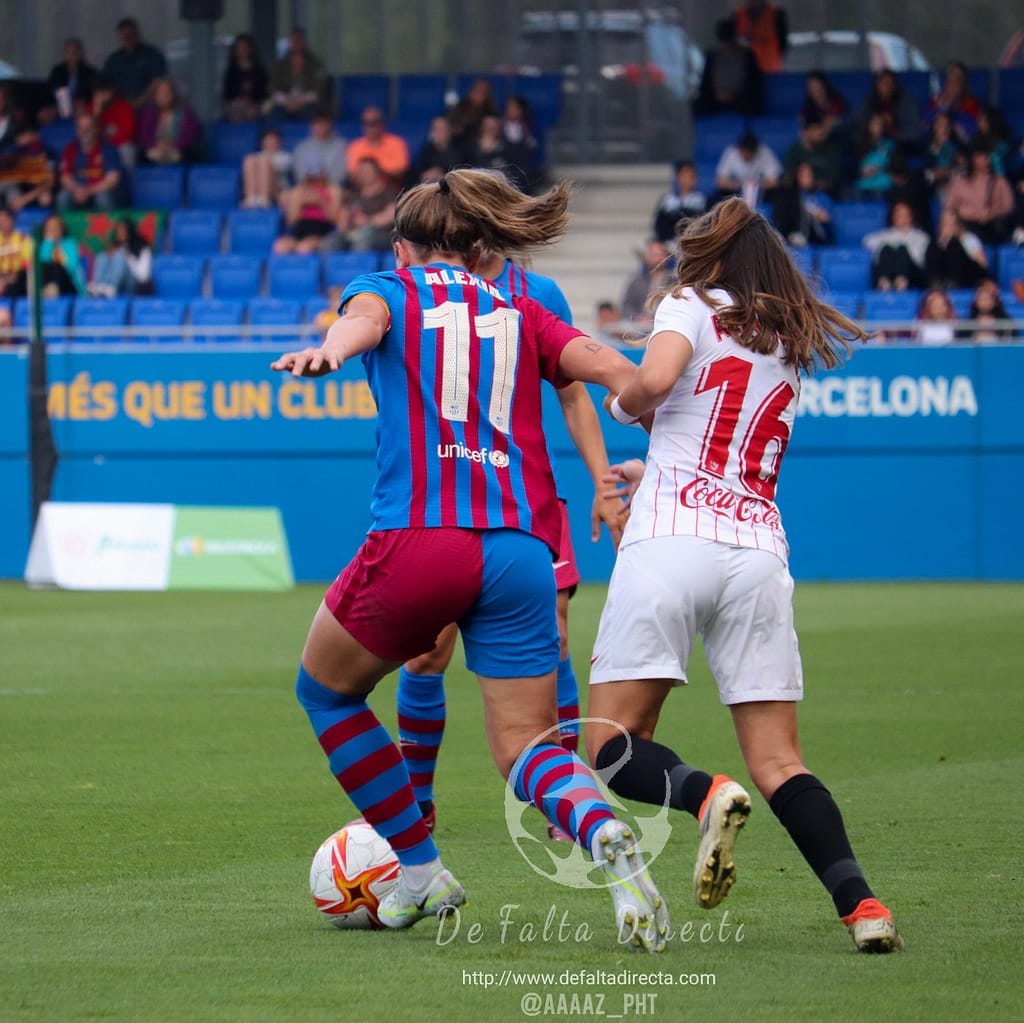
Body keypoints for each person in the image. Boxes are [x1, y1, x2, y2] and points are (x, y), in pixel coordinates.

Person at [270, 168, 669, 951]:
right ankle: (610, 846)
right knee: (524, 745)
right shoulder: (524, 308)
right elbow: (628, 377)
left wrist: (329, 350)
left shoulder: (391, 286)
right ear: (480, 244)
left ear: (405, 246)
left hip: (422, 537)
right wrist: (664, 443)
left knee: (325, 692)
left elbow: (365, 321)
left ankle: (420, 871)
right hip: (521, 550)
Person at [587, 196, 903, 955]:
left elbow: (658, 382)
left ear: (710, 255)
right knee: (780, 759)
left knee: (609, 743)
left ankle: (704, 797)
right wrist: (651, 459)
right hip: (757, 551)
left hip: (670, 543)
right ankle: (863, 906)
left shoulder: (688, 303)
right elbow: (712, 443)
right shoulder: (787, 342)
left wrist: (622, 401)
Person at [395, 243, 623, 841]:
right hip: (444, 498)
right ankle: (418, 805)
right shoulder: (419, 286)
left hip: (524, 495)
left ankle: (568, 801)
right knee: (426, 650)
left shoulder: (537, 294)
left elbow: (573, 394)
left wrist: (604, 481)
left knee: (556, 634)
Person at [322, 157, 399, 253]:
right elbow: (342, 225)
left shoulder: (388, 191)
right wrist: (345, 219)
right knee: (331, 242)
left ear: (377, 172)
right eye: (361, 171)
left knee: (362, 244)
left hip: (381, 234)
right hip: (355, 233)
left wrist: (367, 221)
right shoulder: (354, 195)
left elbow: (391, 215)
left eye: (367, 171)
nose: (364, 174)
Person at [944, 144, 1015, 244]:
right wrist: (968, 214)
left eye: (987, 157)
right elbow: (949, 208)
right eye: (982, 157)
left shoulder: (999, 181)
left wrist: (992, 213)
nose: (987, 160)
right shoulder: (959, 183)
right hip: (967, 228)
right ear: (973, 159)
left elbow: (1009, 206)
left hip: (993, 229)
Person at [694, 18, 762, 118]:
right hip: (715, 98)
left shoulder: (748, 56)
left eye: (728, 41)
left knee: (752, 105)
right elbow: (705, 83)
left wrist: (734, 96)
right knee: (696, 107)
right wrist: (716, 94)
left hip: (741, 99)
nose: (726, 45)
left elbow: (755, 84)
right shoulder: (711, 57)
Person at [56, 112, 121, 211]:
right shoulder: (70, 149)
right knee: (63, 197)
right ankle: (60, 226)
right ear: (77, 131)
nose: (85, 131)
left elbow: (112, 180)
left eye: (89, 127)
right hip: (77, 191)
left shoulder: (108, 149)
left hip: (98, 191)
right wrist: (77, 190)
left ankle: (106, 226)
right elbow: (65, 178)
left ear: (96, 129)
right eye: (81, 128)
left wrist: (88, 191)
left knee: (103, 198)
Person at [863, 201, 932, 291]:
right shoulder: (887, 234)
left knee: (902, 249)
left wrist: (899, 247)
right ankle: (884, 284)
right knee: (886, 248)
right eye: (899, 215)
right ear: (894, 217)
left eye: (905, 215)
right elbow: (866, 241)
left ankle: (901, 283)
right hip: (890, 272)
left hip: (913, 275)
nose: (902, 218)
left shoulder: (921, 236)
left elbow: (917, 258)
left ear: (911, 217)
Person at [272, 168, 343, 256]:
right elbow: (291, 221)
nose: (314, 181)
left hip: (321, 233)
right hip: (299, 231)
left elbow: (334, 219)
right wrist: (300, 203)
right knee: (280, 246)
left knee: (304, 248)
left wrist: (321, 202)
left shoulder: (333, 190)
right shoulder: (298, 191)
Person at [101, 17, 168, 108]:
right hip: (120, 107)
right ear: (120, 37)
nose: (128, 38)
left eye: (131, 34)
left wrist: (142, 100)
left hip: (150, 106)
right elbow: (106, 84)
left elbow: (158, 79)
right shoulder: (113, 60)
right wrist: (123, 102)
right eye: (125, 36)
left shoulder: (151, 54)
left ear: (137, 34)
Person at [136, 77, 202, 165]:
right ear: (154, 95)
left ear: (173, 94)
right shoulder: (148, 113)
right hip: (154, 151)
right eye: (160, 93)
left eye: (167, 92)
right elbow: (144, 136)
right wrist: (157, 145)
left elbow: (189, 136)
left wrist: (172, 145)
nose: (164, 96)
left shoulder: (185, 111)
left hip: (180, 151)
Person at [267, 27, 328, 120]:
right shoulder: (280, 65)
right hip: (284, 103)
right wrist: (287, 102)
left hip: (308, 104)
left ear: (305, 42)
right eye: (294, 41)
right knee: (272, 114)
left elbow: (319, 89)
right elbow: (272, 87)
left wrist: (300, 102)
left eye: (299, 40)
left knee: (311, 114)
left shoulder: (316, 64)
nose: (296, 44)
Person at [771, 160, 834, 247]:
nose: (805, 178)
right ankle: (782, 235)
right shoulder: (792, 196)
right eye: (802, 175)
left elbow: (827, 219)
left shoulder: (822, 196)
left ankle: (799, 236)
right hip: (794, 233)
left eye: (808, 175)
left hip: (817, 236)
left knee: (805, 210)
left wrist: (817, 214)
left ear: (814, 176)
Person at [345, 107, 410, 188]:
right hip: (362, 190)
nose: (370, 127)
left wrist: (375, 171)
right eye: (366, 123)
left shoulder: (397, 143)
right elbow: (352, 175)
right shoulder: (355, 146)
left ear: (382, 123)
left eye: (373, 123)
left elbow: (400, 172)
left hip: (390, 189)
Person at [88, 217, 153, 297]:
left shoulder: (142, 247)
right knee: (102, 257)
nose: (119, 233)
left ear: (130, 231)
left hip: (134, 283)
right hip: (117, 283)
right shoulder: (117, 247)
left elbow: (143, 276)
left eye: (123, 230)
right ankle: (98, 286)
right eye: (118, 231)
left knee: (120, 256)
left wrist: (128, 256)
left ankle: (110, 287)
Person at [714, 130, 781, 204]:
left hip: (761, 192)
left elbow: (774, 182)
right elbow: (720, 181)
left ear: (754, 150)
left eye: (748, 152)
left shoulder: (765, 152)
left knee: (779, 194)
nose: (745, 155)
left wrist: (754, 185)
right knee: (719, 194)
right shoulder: (731, 152)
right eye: (743, 152)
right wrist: (738, 185)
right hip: (737, 191)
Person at [926, 208, 988, 289]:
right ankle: (935, 282)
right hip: (944, 277)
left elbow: (982, 265)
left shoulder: (968, 238)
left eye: (950, 223)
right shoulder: (937, 242)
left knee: (953, 244)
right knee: (935, 246)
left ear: (957, 224)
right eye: (944, 223)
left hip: (967, 273)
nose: (947, 226)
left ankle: (953, 282)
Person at [652, 161, 708, 245]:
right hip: (669, 245)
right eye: (684, 175)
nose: (688, 179)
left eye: (692, 176)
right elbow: (659, 226)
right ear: (678, 177)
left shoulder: (703, 200)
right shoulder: (667, 200)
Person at [621, 238, 673, 327]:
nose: (658, 259)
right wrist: (637, 318)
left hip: (665, 325)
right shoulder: (636, 281)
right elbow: (626, 306)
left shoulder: (674, 281)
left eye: (660, 255)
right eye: (654, 255)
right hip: (639, 328)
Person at [91, 75, 136, 172]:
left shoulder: (124, 107)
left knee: (127, 149)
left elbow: (127, 134)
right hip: (98, 147)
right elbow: (87, 133)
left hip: (118, 147)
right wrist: (96, 116)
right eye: (98, 92)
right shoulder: (92, 109)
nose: (102, 96)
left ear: (112, 91)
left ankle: (128, 183)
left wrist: (108, 147)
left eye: (105, 92)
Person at [291, 108, 346, 187]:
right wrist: (311, 180)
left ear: (330, 125)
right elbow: (299, 173)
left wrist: (324, 180)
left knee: (336, 193)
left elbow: (340, 175)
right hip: (307, 187)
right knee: (294, 195)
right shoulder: (302, 147)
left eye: (323, 123)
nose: (320, 127)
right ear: (311, 126)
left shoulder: (341, 146)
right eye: (316, 123)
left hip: (331, 187)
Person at [221, 33, 269, 123]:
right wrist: (238, 100)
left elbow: (264, 92)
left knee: (251, 112)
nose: (242, 50)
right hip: (235, 104)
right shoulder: (231, 71)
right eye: (239, 48)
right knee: (236, 112)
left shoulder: (259, 70)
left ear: (250, 49)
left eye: (245, 47)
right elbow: (227, 94)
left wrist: (251, 100)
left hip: (255, 104)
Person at [732, 0, 788, 73]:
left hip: (770, 71)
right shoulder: (737, 16)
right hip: (746, 74)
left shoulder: (777, 14)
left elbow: (783, 42)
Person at [241, 127, 292, 208]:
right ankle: (250, 199)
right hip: (257, 189)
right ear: (262, 143)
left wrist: (266, 162)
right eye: (268, 140)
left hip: (277, 191)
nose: (270, 143)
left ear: (279, 142)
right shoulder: (257, 156)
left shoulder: (285, 156)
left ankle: (263, 199)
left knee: (264, 162)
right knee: (249, 159)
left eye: (273, 140)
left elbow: (280, 170)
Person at [47, 38, 99, 116]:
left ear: (80, 53)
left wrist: (82, 102)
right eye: (68, 52)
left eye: (74, 52)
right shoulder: (57, 71)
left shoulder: (90, 73)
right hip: (60, 107)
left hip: (82, 106)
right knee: (44, 114)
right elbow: (52, 90)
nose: (71, 55)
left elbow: (93, 94)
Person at [37, 213, 85, 296]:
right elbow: (42, 266)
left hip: (68, 284)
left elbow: (71, 267)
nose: (53, 230)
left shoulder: (70, 244)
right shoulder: (43, 245)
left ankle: (51, 291)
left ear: (61, 229)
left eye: (55, 227)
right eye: (49, 228)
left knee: (57, 268)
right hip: (47, 284)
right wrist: (48, 242)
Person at [410, 116, 461, 185]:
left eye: (442, 129)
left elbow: (461, 173)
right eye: (435, 130)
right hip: (429, 185)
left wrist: (443, 176)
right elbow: (418, 172)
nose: (438, 133)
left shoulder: (460, 149)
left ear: (449, 131)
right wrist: (426, 175)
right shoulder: (427, 148)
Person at [799, 71, 846, 139]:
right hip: (815, 141)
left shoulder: (837, 103)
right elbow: (803, 129)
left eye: (817, 85)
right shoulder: (806, 109)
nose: (815, 89)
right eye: (811, 86)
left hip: (836, 138)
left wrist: (832, 123)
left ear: (823, 85)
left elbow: (843, 122)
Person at [0, 204, 32, 299]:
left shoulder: (24, 239)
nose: (2, 223)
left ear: (13, 220)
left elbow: (27, 263)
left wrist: (11, 277)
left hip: (17, 278)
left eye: (5, 220)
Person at [966, 278, 1011, 343]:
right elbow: (962, 341)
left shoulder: (1005, 320)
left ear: (994, 302)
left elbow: (1011, 339)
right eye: (981, 299)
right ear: (976, 302)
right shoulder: (968, 322)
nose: (984, 302)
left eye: (987, 299)